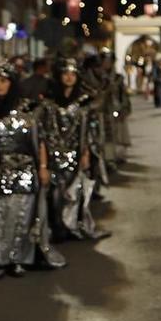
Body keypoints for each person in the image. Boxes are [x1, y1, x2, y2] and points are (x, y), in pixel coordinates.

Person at [0, 61, 64, 279]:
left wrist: (44, 167)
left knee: (22, 218)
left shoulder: (27, 112)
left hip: (26, 173)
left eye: (3, 80)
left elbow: (41, 142)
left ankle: (17, 260)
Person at [37, 60, 106, 242]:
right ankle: (56, 226)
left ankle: (72, 225)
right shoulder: (48, 103)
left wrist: (85, 154)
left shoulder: (83, 103)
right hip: (52, 155)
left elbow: (88, 132)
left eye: (73, 74)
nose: (69, 77)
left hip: (75, 153)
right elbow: (42, 132)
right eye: (65, 73)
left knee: (74, 193)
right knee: (54, 194)